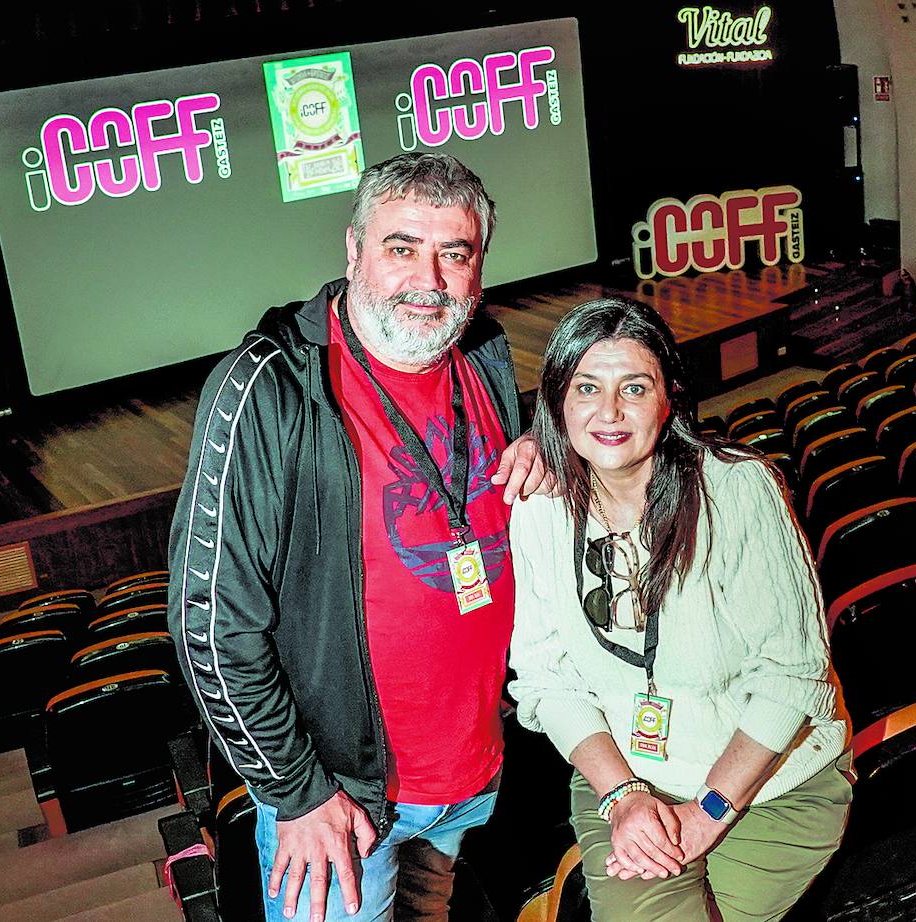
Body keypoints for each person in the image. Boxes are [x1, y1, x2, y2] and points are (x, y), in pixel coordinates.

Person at [167, 152, 549, 922]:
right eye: (402, 247)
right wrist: (297, 792)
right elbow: (210, 624)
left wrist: (548, 454)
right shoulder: (269, 388)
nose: (430, 279)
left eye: (455, 253)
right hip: (343, 802)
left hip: (468, 779)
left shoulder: (483, 352)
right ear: (352, 251)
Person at [507, 297, 852, 921]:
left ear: (669, 400)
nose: (608, 412)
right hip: (623, 774)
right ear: (556, 401)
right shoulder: (538, 509)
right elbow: (545, 677)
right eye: (586, 387)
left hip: (771, 784)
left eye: (633, 388)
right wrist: (625, 795)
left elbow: (791, 679)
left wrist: (708, 811)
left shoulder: (737, 492)